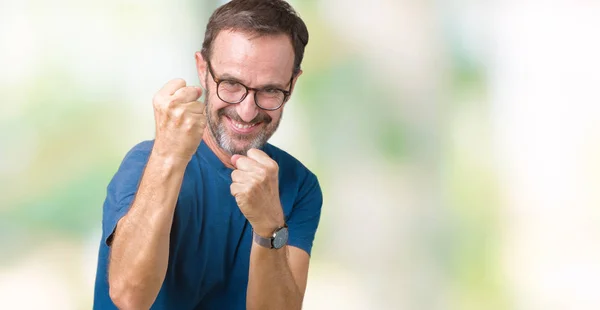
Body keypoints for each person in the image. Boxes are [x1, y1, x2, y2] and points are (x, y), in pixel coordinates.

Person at [92, 0, 323, 309]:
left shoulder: (300, 185)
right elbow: (130, 297)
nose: (247, 110)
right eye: (231, 84)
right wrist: (168, 158)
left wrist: (270, 226)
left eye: (269, 91)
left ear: (292, 84)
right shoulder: (147, 162)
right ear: (203, 70)